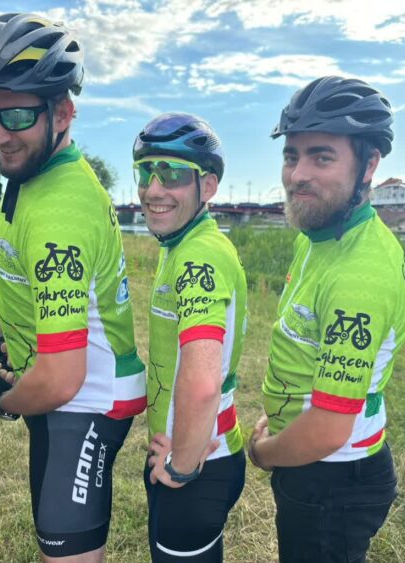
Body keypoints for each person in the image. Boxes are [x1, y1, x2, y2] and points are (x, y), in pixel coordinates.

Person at [0, 13, 146, 562]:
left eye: (16, 115)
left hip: (86, 398)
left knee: (65, 548)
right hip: (67, 392)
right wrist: (18, 341)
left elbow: (60, 378)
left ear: (63, 112)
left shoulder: (60, 209)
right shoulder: (34, 171)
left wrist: (5, 399)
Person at [247, 76, 405, 562]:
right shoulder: (322, 235)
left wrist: (263, 452)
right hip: (320, 463)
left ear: (369, 165)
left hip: (332, 475)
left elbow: (327, 428)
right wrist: (283, 414)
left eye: (322, 157)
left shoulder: (357, 274)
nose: (298, 174)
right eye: (291, 155)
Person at [134, 113, 247, 562]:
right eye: (146, 172)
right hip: (202, 451)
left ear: (209, 186)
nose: (153, 189)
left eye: (173, 174)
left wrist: (181, 466)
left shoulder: (199, 256)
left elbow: (202, 384)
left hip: (198, 462)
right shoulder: (184, 244)